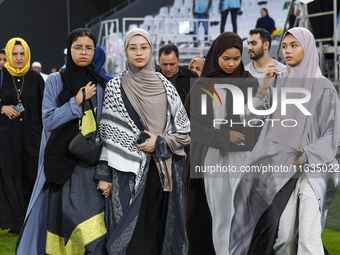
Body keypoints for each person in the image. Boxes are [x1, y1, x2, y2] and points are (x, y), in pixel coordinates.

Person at [230, 27, 340, 255]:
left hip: (313, 170)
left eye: (294, 45)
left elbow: (333, 134)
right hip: (280, 169)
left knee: (308, 237)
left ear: (307, 49)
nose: (287, 51)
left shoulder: (325, 88)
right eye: (286, 46)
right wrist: (263, 89)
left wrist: (309, 153)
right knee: (285, 239)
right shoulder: (278, 82)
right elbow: (250, 118)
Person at [96, 28, 190, 254]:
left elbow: (184, 132)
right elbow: (107, 136)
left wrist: (159, 143)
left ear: (151, 50)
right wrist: (104, 176)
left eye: (144, 47)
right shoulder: (114, 87)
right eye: (133, 48)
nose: (139, 53)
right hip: (126, 174)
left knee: (159, 232)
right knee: (130, 237)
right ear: (126, 51)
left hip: (162, 172)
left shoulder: (166, 86)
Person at [16, 28, 108, 254]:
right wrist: (76, 102)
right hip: (62, 167)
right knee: (64, 233)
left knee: (95, 235)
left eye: (88, 48)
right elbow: (48, 121)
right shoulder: (56, 80)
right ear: (70, 52)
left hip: (92, 167)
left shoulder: (102, 83)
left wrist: (106, 172)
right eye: (78, 47)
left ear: (94, 51)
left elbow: (106, 128)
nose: (83, 52)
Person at [185, 32, 259, 255]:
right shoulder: (202, 85)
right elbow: (191, 125)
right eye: (226, 58)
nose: (231, 63)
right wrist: (222, 135)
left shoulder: (251, 82)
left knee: (247, 218)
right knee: (222, 217)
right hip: (214, 157)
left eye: (236, 58)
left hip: (247, 158)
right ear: (216, 54)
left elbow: (260, 120)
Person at [0, 38, 44, 236]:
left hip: (32, 138)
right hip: (7, 138)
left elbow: (45, 108)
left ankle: (31, 220)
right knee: (10, 177)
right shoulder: (1, 75)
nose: (18, 58)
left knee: (31, 177)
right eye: (15, 54)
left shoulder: (35, 79)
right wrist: (3, 108)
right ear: (9, 55)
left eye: (22, 54)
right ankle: (15, 223)